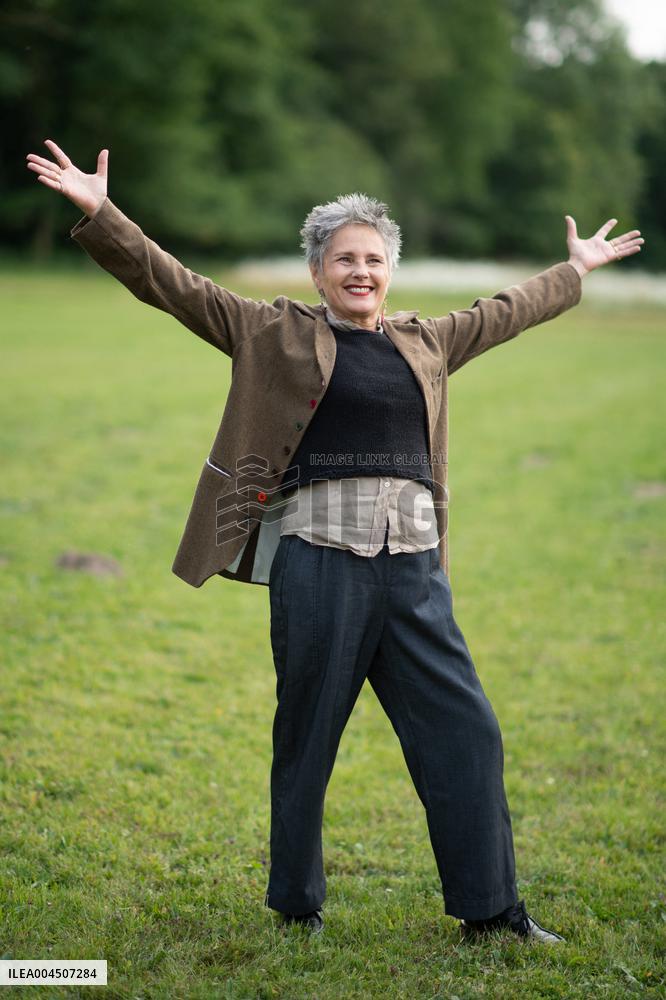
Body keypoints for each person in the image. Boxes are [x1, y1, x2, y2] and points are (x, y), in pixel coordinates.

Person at [26, 139, 643, 942]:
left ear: (391, 270)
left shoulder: (427, 340)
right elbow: (169, 283)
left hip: (416, 571)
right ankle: (296, 902)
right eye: (344, 259)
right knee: (307, 737)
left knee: (468, 733)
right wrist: (103, 213)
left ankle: (494, 913)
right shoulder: (269, 331)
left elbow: (505, 311)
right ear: (318, 272)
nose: (361, 271)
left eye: (374, 259)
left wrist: (576, 271)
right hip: (321, 566)